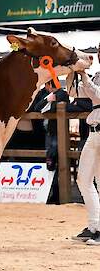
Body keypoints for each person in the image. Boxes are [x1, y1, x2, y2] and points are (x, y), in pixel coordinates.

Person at [34, 80, 90, 204]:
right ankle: (54, 194)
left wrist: (51, 102)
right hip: (51, 133)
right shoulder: (49, 95)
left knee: (57, 162)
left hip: (58, 133)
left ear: (49, 85)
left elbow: (55, 108)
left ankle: (59, 195)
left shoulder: (62, 94)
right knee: (52, 163)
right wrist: (49, 99)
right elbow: (37, 108)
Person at [71, 45, 100, 245]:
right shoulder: (97, 75)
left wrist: (84, 75)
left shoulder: (95, 79)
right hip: (94, 132)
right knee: (84, 179)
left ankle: (97, 228)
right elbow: (75, 91)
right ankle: (94, 226)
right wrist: (73, 71)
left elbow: (97, 94)